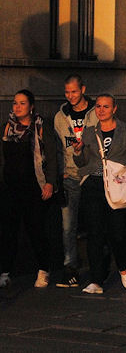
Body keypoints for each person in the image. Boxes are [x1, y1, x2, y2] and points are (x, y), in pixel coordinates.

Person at [72, 93, 126, 294]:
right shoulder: (88, 132)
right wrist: (78, 151)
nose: (101, 110)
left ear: (114, 109)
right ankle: (96, 280)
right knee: (95, 233)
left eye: (106, 107)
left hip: (117, 186)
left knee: (117, 233)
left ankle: (122, 267)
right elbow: (82, 162)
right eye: (98, 106)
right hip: (93, 186)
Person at [0, 90, 59, 289]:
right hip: (10, 188)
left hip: (34, 188)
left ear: (31, 106)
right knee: (8, 231)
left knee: (36, 230)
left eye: (22, 103)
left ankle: (44, 269)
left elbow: (51, 156)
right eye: (15, 103)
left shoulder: (41, 127)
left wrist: (50, 182)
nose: (17, 107)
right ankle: (5, 271)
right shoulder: (7, 128)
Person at [52, 75, 97, 287]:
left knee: (94, 223)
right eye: (67, 92)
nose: (70, 96)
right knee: (68, 226)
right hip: (69, 176)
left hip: (92, 175)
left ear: (83, 90)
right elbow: (60, 147)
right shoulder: (61, 116)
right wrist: (61, 172)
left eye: (74, 92)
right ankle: (70, 268)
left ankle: (98, 267)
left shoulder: (96, 112)